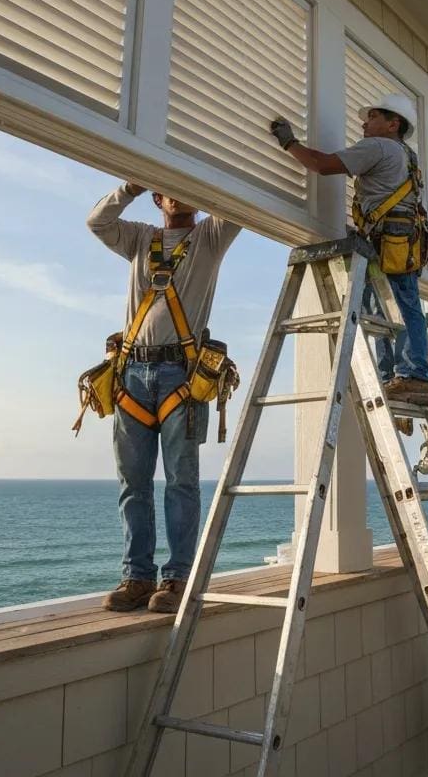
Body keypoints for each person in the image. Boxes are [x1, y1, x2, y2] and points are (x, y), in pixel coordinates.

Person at [88, 183, 240, 612]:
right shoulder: (139, 238)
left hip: (181, 375)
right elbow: (96, 221)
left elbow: (233, 202)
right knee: (133, 483)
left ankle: (176, 579)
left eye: (184, 186)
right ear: (157, 200)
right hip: (130, 373)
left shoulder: (210, 237)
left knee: (181, 481)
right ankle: (137, 577)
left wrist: (196, 175)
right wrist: (131, 185)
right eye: (167, 189)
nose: (178, 194)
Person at [269, 93, 428, 405]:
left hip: (388, 243)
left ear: (392, 123)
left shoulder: (379, 146)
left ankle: (414, 376)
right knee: (392, 309)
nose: (364, 122)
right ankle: (400, 378)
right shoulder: (406, 155)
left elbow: (322, 165)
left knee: (396, 309)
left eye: (372, 116)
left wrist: (289, 143)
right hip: (400, 242)